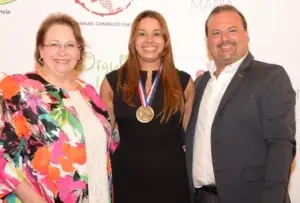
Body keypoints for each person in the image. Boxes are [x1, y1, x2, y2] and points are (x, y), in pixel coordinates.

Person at [0, 13, 117, 203]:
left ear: (79, 52)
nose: (62, 52)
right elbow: (2, 157)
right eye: (54, 44)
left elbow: (108, 148)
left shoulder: (90, 94)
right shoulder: (16, 89)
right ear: (41, 51)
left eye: (70, 45)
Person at [185, 4, 296, 203]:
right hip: (201, 198)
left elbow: (281, 146)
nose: (224, 38)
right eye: (216, 32)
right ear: (208, 40)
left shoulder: (270, 77)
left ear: (247, 35)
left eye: (232, 30)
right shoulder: (200, 84)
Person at [100, 10, 195, 203]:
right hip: (126, 182)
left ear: (165, 40)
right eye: (142, 33)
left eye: (157, 33)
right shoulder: (112, 83)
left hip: (173, 183)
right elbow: (106, 138)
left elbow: (190, 138)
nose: (149, 40)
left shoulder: (184, 83)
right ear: (133, 41)